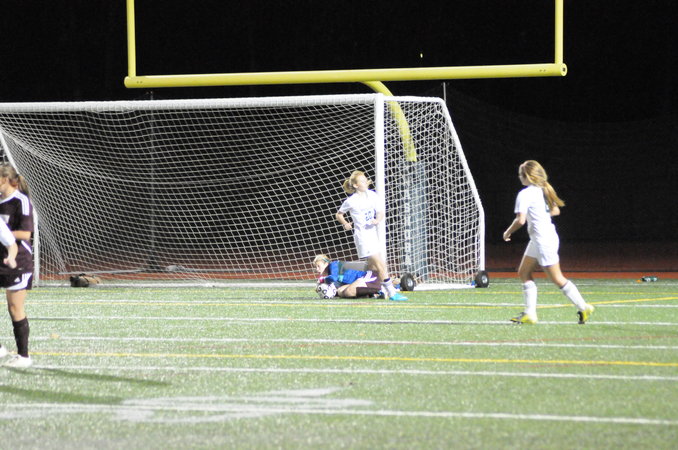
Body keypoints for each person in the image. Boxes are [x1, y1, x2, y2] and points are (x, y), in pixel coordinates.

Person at [503, 160, 595, 325]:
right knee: (523, 272)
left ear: (527, 176)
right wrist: (539, 214)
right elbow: (555, 210)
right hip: (542, 238)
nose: (519, 177)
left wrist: (508, 232)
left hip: (542, 240)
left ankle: (584, 307)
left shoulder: (525, 193)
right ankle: (530, 314)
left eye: (520, 174)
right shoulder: (542, 190)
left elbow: (520, 220)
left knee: (557, 278)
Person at [335, 170, 407, 301]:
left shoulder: (372, 195)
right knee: (380, 264)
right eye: (362, 181)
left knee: (373, 267)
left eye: (365, 180)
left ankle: (376, 290)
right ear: (356, 185)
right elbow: (339, 214)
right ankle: (392, 292)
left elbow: (380, 212)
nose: (366, 182)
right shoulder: (351, 201)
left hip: (373, 235)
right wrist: (345, 223)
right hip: (363, 237)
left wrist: (377, 220)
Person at [0, 164, 35, 367]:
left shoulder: (21, 201)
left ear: (4, 179)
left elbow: (25, 234)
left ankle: (23, 356)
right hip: (1, 259)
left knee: (15, 308)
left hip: (18, 261)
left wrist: (4, 233)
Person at [313, 254, 382, 299]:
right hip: (360, 280)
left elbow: (333, 278)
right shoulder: (331, 273)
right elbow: (335, 286)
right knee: (340, 291)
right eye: (316, 267)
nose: (317, 269)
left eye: (318, 266)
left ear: (326, 263)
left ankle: (380, 290)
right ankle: (370, 294)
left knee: (349, 292)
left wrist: (322, 280)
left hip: (368, 276)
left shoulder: (333, 265)